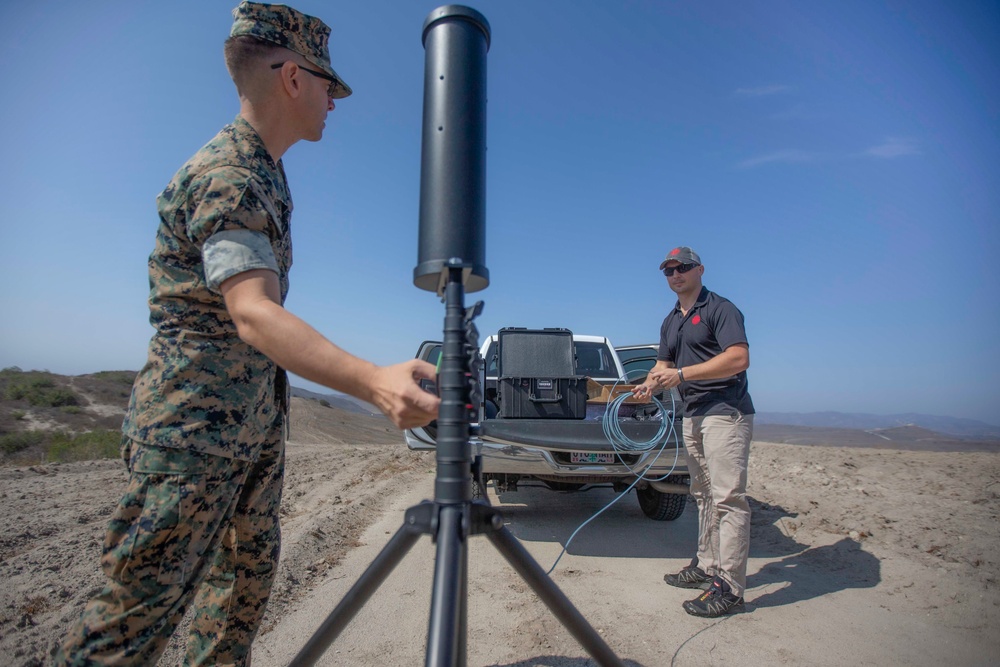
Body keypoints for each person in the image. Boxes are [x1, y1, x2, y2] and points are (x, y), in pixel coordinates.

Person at [55, 2, 439, 664]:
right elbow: (253, 312)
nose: (334, 101)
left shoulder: (266, 171)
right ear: (292, 78)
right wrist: (373, 380)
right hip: (190, 440)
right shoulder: (230, 171)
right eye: (327, 84)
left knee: (235, 607)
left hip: (245, 434)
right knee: (132, 624)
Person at [632, 246, 754, 618]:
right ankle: (706, 566)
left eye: (682, 268)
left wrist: (681, 376)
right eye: (668, 271)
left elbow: (738, 357)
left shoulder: (721, 309)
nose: (675, 275)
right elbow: (662, 364)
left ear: (699, 269)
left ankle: (730, 588)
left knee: (728, 498)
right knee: (702, 494)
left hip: (724, 412)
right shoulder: (671, 321)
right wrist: (650, 385)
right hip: (692, 414)